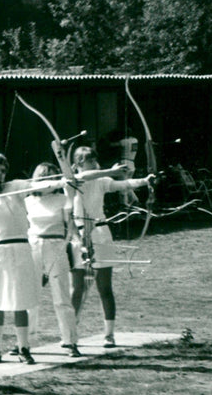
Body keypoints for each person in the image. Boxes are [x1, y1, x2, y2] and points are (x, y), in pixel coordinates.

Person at [0, 152, 68, 365]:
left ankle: (24, 347)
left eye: (2, 171)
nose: (0, 175)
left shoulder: (16, 186)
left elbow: (38, 185)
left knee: (21, 301)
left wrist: (63, 180)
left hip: (20, 248)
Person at [69, 146, 154, 348]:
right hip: (78, 236)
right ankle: (71, 332)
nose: (94, 161)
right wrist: (111, 171)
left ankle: (109, 334)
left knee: (104, 288)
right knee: (77, 289)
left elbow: (123, 184)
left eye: (95, 158)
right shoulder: (72, 180)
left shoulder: (102, 181)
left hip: (100, 233)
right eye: (89, 159)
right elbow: (86, 176)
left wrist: (145, 181)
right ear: (79, 163)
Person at [23, 162, 82, 357]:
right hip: (33, 246)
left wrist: (69, 188)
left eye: (52, 176)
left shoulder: (62, 198)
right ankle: (26, 342)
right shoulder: (29, 200)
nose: (48, 181)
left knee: (61, 296)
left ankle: (70, 341)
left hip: (56, 246)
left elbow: (71, 221)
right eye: (44, 177)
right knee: (31, 296)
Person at [110, 129, 140, 206]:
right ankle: (135, 200)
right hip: (132, 162)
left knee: (123, 185)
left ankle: (124, 203)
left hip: (124, 162)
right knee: (128, 184)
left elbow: (111, 145)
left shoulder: (124, 141)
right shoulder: (135, 140)